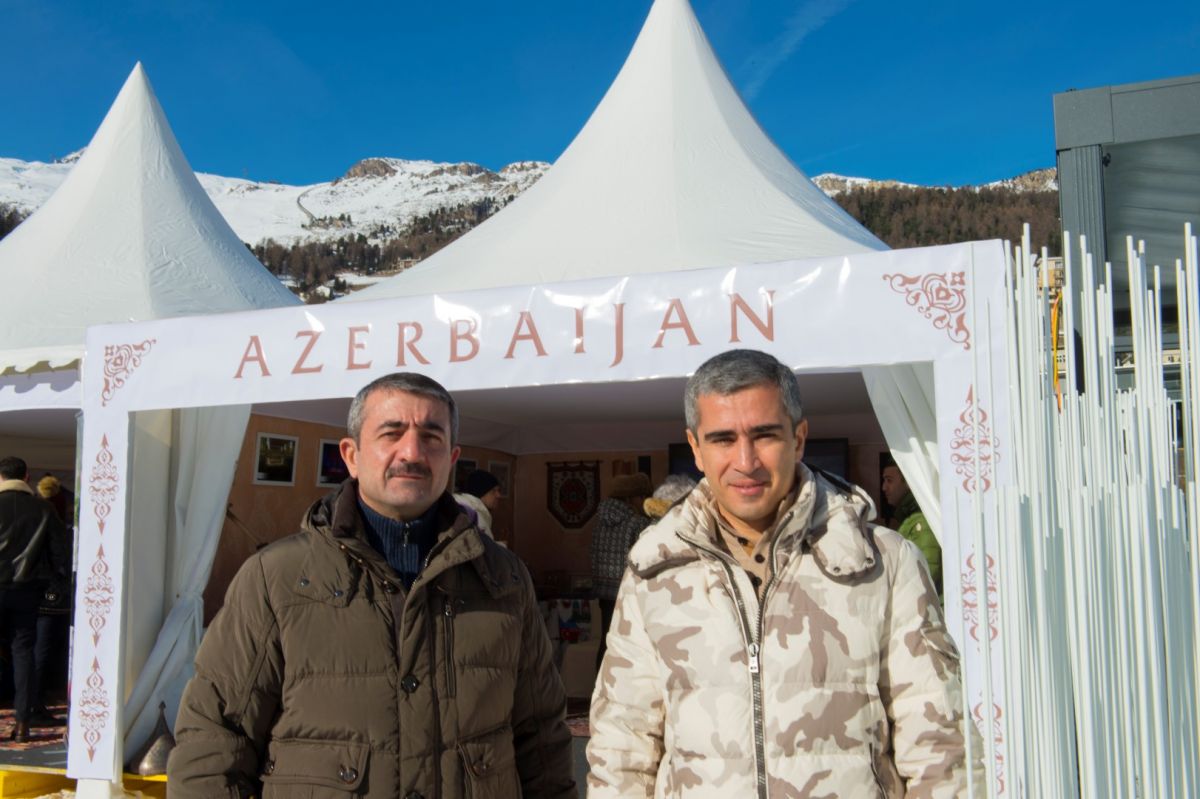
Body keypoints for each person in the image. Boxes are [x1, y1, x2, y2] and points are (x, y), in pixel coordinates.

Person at [588, 349, 981, 796]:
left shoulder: (882, 564)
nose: (746, 461)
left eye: (765, 435)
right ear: (695, 448)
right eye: (722, 439)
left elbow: (942, 751)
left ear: (799, 437)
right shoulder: (655, 571)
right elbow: (622, 746)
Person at [169, 373, 574, 798]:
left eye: (431, 437)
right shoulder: (277, 577)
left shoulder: (503, 578)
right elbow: (214, 740)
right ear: (352, 455)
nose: (413, 452)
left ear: (452, 458)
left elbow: (541, 737)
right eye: (391, 433)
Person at [0, 457, 69, 742]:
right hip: (26, 592)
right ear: (27, 477)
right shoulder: (44, 509)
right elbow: (60, 554)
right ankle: (23, 723)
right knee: (23, 653)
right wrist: (50, 582)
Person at [588, 472, 651, 663]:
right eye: (643, 497)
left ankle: (600, 687)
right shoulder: (638, 522)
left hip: (604, 593)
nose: (645, 503)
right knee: (631, 645)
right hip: (628, 593)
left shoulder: (599, 521)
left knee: (607, 643)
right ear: (633, 497)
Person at [31, 475, 73, 727]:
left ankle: (31, 702)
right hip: (52, 594)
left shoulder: (29, 513)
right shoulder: (51, 519)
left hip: (28, 590)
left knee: (34, 648)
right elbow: (61, 556)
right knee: (43, 648)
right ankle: (34, 703)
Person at [881, 456, 942, 595]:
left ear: (908, 481)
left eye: (889, 480)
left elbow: (928, 573)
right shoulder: (911, 518)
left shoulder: (921, 520)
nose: (884, 487)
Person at [454, 468, 501, 537]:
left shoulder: (463, 509)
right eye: (493, 491)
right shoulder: (475, 518)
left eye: (498, 490)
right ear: (480, 493)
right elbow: (483, 547)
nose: (498, 495)